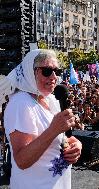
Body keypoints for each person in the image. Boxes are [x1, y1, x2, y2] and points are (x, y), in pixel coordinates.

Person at [3, 49, 82, 189]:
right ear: (30, 72)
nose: (53, 76)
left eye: (56, 71)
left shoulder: (50, 100)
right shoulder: (21, 103)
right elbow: (22, 160)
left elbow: (62, 137)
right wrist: (53, 130)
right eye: (46, 71)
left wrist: (76, 145)